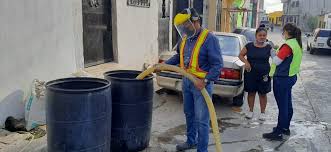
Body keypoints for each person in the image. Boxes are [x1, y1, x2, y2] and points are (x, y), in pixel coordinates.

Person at [162, 8, 223, 152]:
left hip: (201, 85)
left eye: (187, 24)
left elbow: (217, 65)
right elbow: (178, 56)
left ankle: (202, 149)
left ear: (196, 21)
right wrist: (165, 65)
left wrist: (206, 81)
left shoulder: (209, 39)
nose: (185, 28)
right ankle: (191, 141)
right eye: (182, 25)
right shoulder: (185, 37)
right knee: (189, 114)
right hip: (187, 83)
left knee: (202, 119)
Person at [263, 23, 303, 141]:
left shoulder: (287, 45)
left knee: (283, 107)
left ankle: (278, 133)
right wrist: (277, 50)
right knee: (287, 104)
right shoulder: (296, 43)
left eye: (283, 31)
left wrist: (271, 50)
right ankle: (285, 127)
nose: (282, 33)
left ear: (286, 32)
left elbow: (277, 61)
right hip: (290, 77)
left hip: (282, 79)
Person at [238, 26, 272, 121]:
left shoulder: (269, 47)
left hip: (264, 74)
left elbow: (276, 59)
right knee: (251, 92)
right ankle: (250, 111)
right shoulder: (249, 46)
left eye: (264, 35)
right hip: (250, 73)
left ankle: (262, 113)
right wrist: (246, 62)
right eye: (260, 35)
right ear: (256, 36)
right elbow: (240, 55)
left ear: (266, 36)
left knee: (263, 93)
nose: (262, 37)